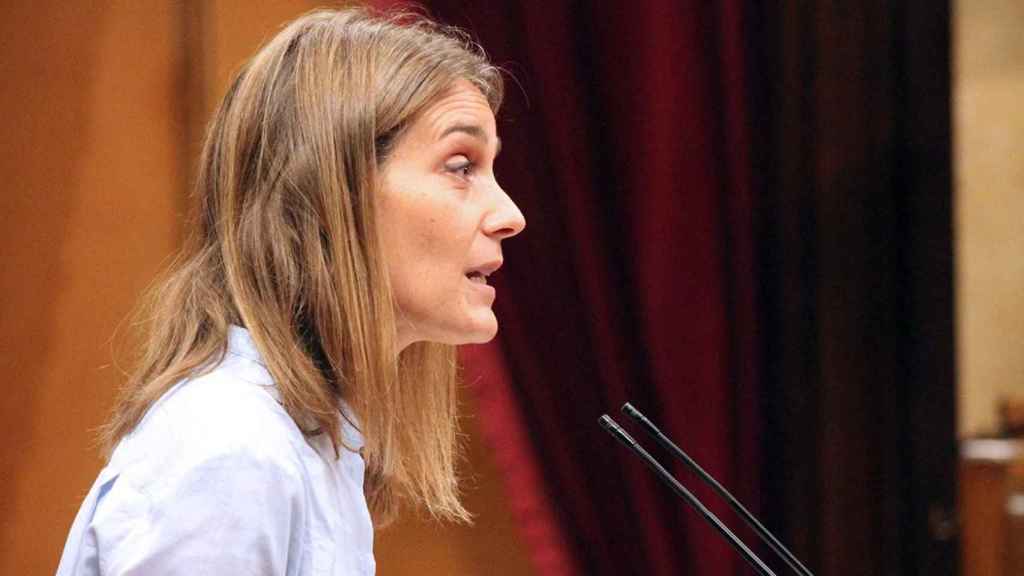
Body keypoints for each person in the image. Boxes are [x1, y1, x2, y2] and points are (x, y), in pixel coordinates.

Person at [55, 7, 525, 575]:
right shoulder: (232, 446)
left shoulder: (307, 447)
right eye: (459, 166)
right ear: (332, 196)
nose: (509, 215)